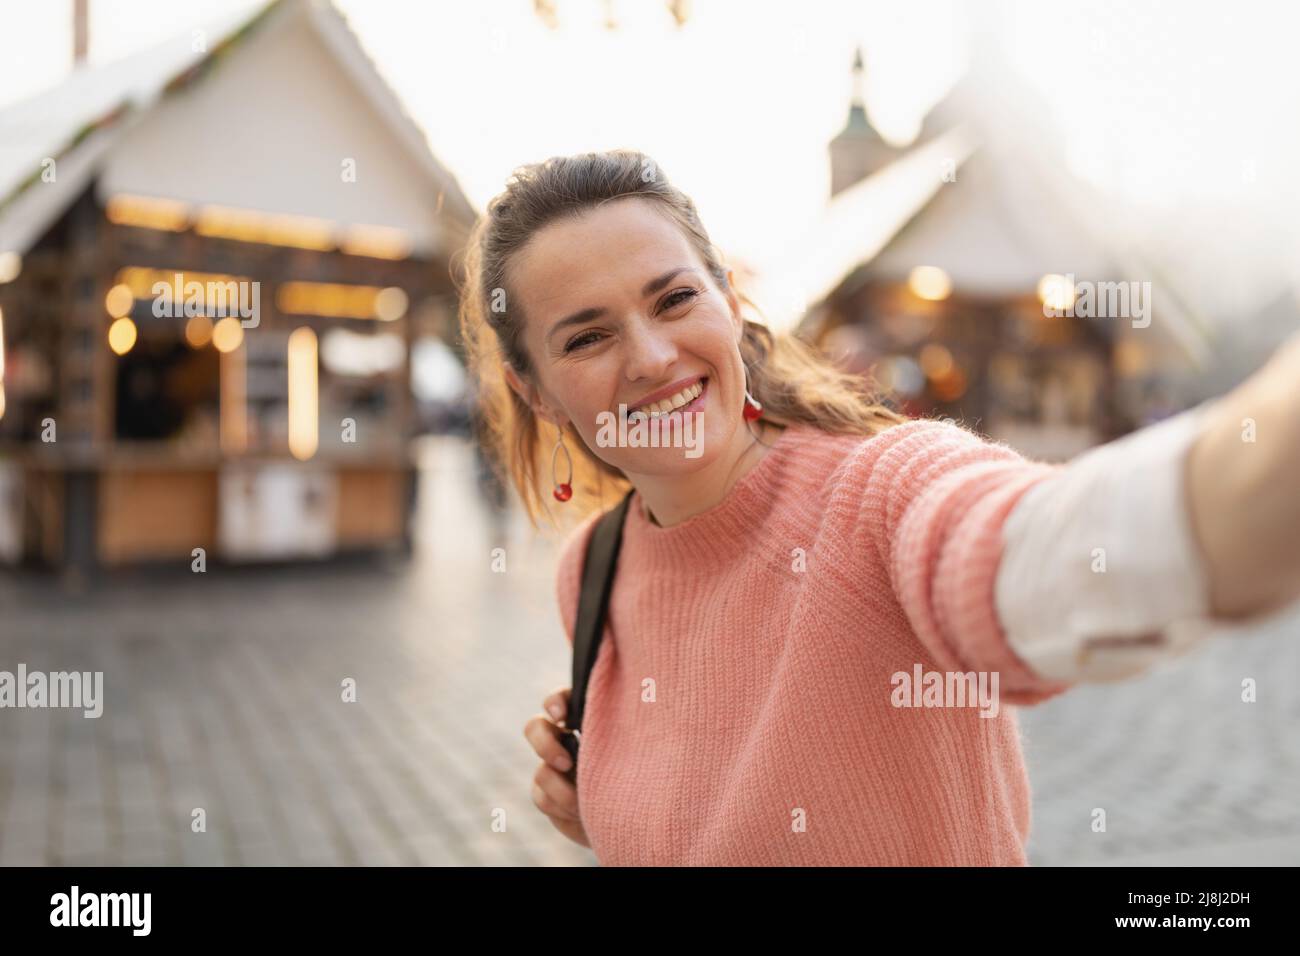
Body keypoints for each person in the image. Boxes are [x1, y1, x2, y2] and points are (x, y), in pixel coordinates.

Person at [455, 149, 1300, 865]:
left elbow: (1053, 553)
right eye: (587, 336)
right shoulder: (590, 571)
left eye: (674, 299)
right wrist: (602, 807)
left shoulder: (882, 489)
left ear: (732, 303)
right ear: (537, 393)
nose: (649, 356)